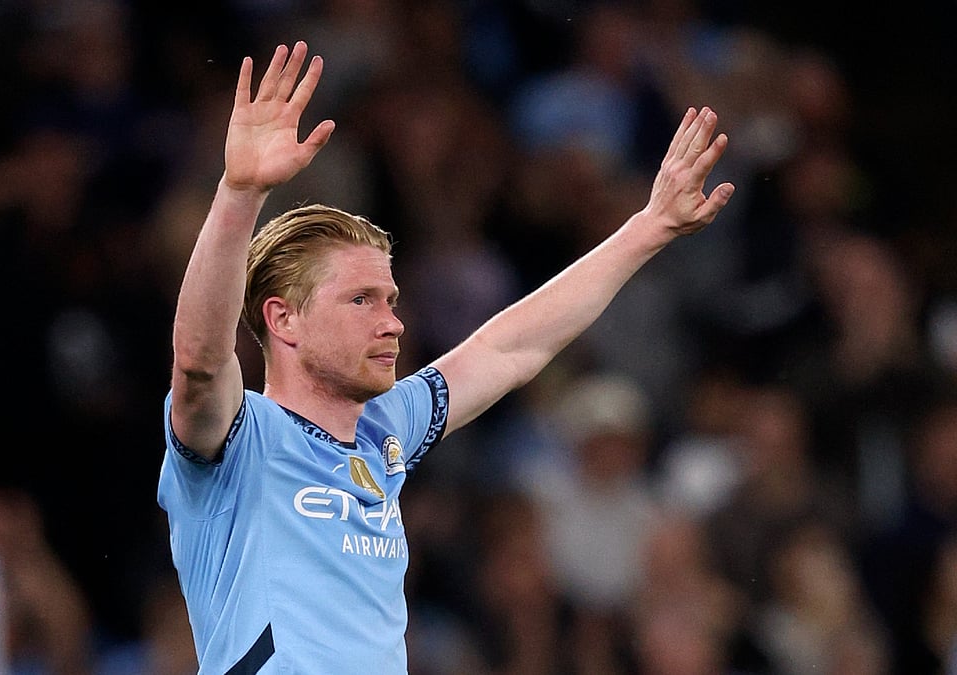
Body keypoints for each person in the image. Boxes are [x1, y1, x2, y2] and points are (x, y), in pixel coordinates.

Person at [158, 41, 734, 673]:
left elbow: (510, 346)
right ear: (283, 319)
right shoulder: (237, 438)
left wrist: (648, 228)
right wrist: (240, 192)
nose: (393, 322)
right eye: (361, 300)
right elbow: (200, 361)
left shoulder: (385, 429)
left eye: (391, 300)